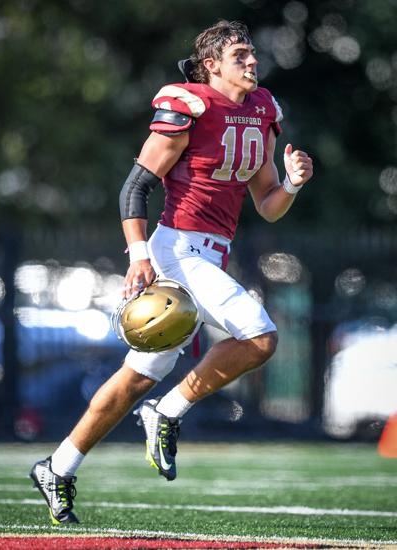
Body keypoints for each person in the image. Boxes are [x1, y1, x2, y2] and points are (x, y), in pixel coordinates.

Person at [30, 19, 313, 525]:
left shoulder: (262, 109)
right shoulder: (189, 104)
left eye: (252, 53)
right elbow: (135, 187)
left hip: (211, 254)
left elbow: (268, 205)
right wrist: (139, 256)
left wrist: (291, 184)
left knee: (136, 378)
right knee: (260, 336)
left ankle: (57, 466)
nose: (253, 61)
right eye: (240, 55)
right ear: (211, 65)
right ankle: (167, 411)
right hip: (177, 250)